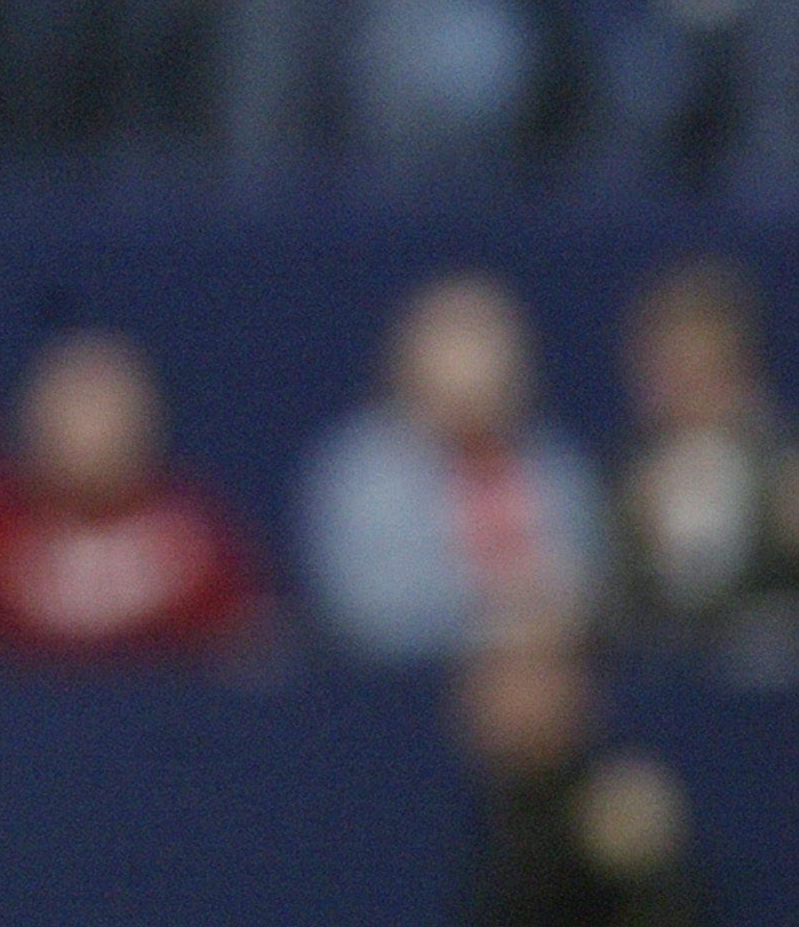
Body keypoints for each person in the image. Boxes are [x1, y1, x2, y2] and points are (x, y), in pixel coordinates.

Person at [300, 274, 608, 663]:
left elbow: (592, 578)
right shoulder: (361, 474)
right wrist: (493, 621)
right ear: (409, 368)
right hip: (409, 691)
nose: (473, 377)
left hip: (549, 674)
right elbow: (364, 608)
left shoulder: (555, 462)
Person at [0, 331, 266, 657]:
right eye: (74, 411)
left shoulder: (191, 538)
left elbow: (246, 638)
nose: (88, 433)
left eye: (102, 409)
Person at [610, 261, 799, 678]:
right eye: (675, 371)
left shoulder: (781, 471)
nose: (691, 388)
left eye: (707, 368)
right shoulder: (620, 482)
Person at [456, 624, 706, 927]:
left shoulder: (615, 808)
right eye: (485, 674)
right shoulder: (492, 811)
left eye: (522, 673)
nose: (486, 693)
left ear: (577, 688)